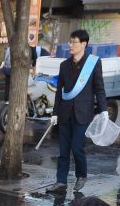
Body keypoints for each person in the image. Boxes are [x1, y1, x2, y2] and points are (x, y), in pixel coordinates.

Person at [46, 29, 107, 196]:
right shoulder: (64, 65)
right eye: (70, 42)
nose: (70, 45)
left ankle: (81, 175)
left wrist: (103, 111)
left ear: (84, 44)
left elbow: (99, 88)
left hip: (83, 113)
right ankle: (60, 181)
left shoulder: (93, 63)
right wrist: (55, 113)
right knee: (63, 150)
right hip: (65, 113)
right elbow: (60, 91)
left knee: (76, 147)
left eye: (74, 42)